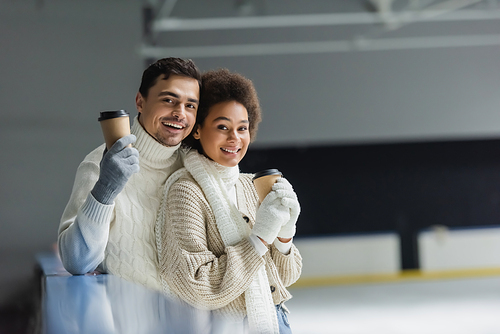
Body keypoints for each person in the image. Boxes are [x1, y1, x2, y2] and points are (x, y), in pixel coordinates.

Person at [156, 69, 302, 333]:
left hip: (273, 320)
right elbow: (197, 285)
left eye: (242, 128)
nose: (235, 138)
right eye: (222, 127)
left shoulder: (250, 185)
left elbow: (285, 278)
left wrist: (285, 234)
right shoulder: (185, 192)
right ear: (197, 130)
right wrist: (259, 237)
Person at [58, 58, 201, 291]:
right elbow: (76, 261)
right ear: (140, 102)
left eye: (190, 106)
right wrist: (106, 188)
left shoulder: (196, 167)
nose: (180, 114)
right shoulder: (100, 164)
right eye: (168, 100)